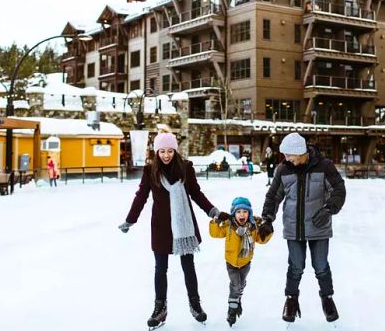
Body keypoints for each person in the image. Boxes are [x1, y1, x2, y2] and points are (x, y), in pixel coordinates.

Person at [118, 132, 229, 328]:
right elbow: (141, 197)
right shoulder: (150, 171)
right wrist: (130, 220)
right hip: (161, 227)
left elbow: (196, 193)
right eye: (162, 151)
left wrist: (213, 212)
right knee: (161, 268)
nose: (166, 155)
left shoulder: (185, 168)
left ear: (175, 151)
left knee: (188, 266)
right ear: (156, 152)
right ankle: (160, 308)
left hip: (183, 227)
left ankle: (195, 304)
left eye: (170, 151)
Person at [261, 132, 346, 323]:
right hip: (294, 227)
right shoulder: (283, 169)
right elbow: (273, 196)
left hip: (319, 225)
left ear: (300, 152)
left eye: (289, 155)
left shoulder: (324, 166)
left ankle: (327, 299)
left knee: (321, 266)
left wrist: (329, 209)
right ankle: (291, 300)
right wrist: (267, 219)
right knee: (296, 266)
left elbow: (339, 190)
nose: (286, 158)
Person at [209, 197, 273, 327]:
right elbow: (215, 233)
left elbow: (261, 240)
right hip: (231, 262)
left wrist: (268, 230)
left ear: (249, 213)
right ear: (234, 214)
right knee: (236, 284)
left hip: (246, 262)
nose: (242, 214)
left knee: (241, 284)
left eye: (245, 211)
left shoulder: (253, 227)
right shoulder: (228, 226)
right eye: (238, 212)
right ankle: (232, 310)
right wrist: (216, 221)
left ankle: (237, 299)